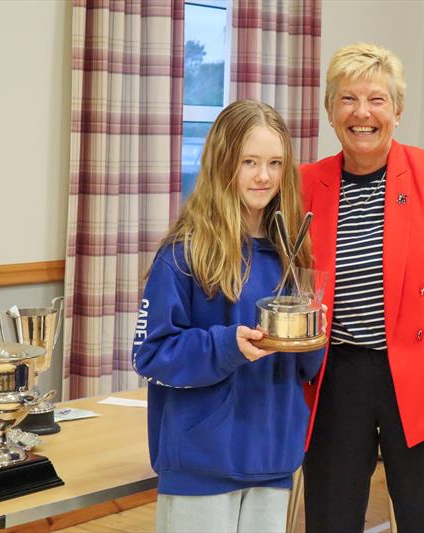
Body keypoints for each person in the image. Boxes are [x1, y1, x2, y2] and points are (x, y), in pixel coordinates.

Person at [300, 43, 424, 533]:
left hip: (422, 377)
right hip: (335, 381)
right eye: (347, 100)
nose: (362, 113)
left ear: (398, 110)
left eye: (376, 100)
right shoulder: (304, 183)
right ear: (329, 111)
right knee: (329, 520)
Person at [132, 100, 324, 533]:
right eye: (249, 162)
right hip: (200, 464)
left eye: (275, 163)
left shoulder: (291, 255)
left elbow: (305, 367)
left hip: (273, 460)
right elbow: (150, 355)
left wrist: (313, 332)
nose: (264, 176)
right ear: (222, 164)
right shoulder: (182, 254)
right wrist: (225, 345)